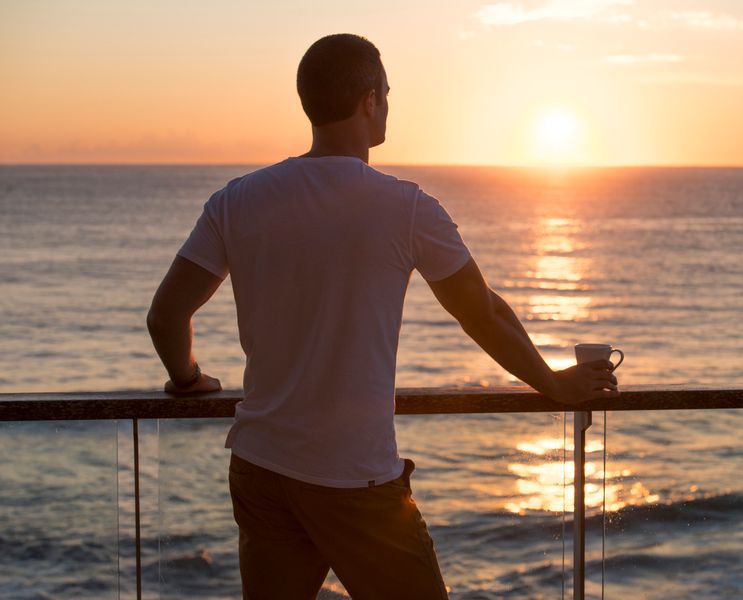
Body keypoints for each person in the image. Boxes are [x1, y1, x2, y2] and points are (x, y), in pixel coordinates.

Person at [146, 33, 619, 600]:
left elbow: (167, 315)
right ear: (369, 100)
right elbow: (482, 312)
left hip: (261, 467)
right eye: (388, 93)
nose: (390, 104)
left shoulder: (237, 200)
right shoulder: (406, 206)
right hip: (353, 478)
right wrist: (551, 383)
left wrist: (188, 379)